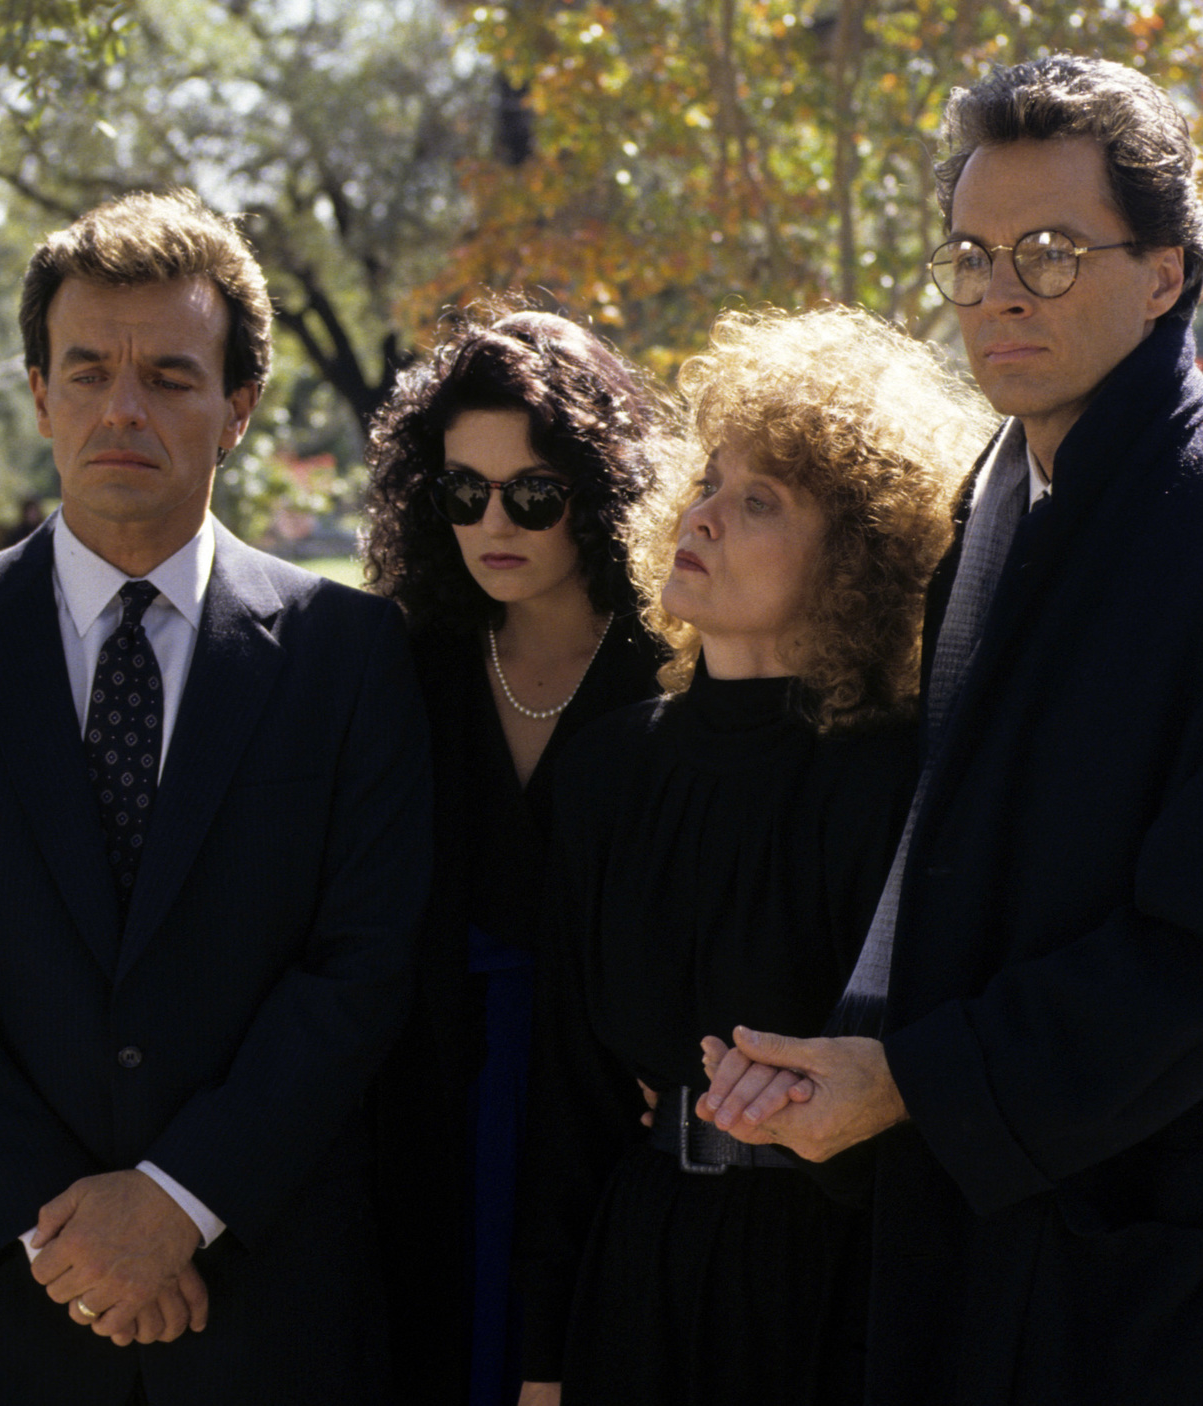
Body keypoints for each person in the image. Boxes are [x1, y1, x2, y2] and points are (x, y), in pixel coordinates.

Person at [697, 55, 1203, 1403]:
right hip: (992, 1248)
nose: (998, 291)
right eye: (971, 254)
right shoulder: (990, 500)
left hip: (1200, 1280)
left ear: (1166, 273)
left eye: (1047, 250)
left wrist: (912, 1079)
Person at [0, 189, 431, 1406]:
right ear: (39, 392)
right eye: (87, 367)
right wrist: (74, 1232)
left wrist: (178, 1200)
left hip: (261, 1298)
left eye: (169, 372)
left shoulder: (350, 655)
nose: (123, 406)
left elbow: (362, 965)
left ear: (238, 407)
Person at [518, 305, 991, 1406]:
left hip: (839, 1302)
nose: (704, 514)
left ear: (857, 559)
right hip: (635, 1279)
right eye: (708, 479)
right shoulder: (603, 774)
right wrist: (542, 1368)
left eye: (759, 499)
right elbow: (564, 1106)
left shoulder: (900, 781)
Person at [360, 305, 666, 1406]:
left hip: (608, 1135)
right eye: (461, 491)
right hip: (423, 1119)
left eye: (533, 493)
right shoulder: (403, 668)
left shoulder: (673, 673)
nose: (495, 519)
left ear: (602, 488)